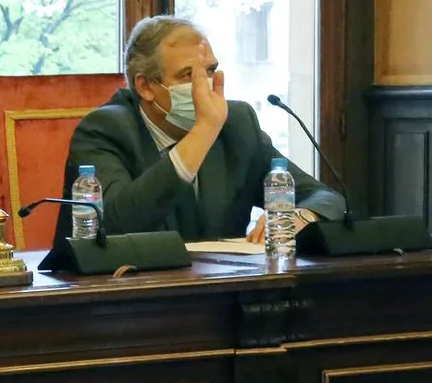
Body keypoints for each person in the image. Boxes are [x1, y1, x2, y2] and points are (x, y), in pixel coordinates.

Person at [59, 15, 344, 243]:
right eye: (188, 74)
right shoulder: (105, 130)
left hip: (220, 296)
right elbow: (114, 224)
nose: (203, 85)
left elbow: (327, 197)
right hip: (125, 298)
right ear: (144, 86)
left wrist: (303, 215)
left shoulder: (238, 125)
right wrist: (204, 130)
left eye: (209, 71)